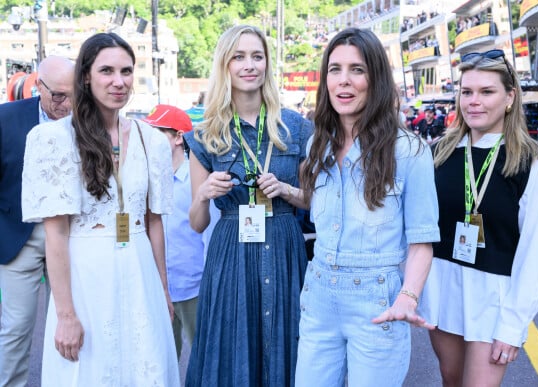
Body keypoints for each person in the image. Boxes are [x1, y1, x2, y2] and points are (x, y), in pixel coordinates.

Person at [20, 32, 179, 386]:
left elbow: (154, 223)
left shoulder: (151, 140)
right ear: (86, 76)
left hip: (141, 277)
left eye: (126, 71)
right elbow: (55, 233)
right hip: (86, 281)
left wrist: (163, 292)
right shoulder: (53, 139)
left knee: (144, 369)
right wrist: (64, 315)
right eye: (107, 70)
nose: (118, 81)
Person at [295, 27, 440, 387]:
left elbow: (422, 241)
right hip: (319, 295)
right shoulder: (318, 142)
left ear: (376, 78)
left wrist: (408, 296)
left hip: (377, 301)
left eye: (357, 70)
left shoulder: (410, 151)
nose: (344, 81)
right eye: (335, 69)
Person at [183, 25, 313, 387]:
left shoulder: (296, 128)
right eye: (238, 57)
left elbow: (312, 201)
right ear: (224, 65)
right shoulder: (205, 135)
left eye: (257, 56)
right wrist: (204, 193)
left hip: (286, 244)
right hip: (231, 252)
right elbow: (196, 223)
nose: (249, 65)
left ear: (267, 64)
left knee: (289, 337)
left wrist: (287, 189)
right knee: (232, 345)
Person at [419, 49, 538, 386]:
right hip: (441, 291)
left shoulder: (533, 164)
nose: (473, 102)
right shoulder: (438, 152)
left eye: (486, 92)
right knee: (451, 380)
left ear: (510, 97)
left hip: (493, 298)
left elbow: (533, 256)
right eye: (466, 92)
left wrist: (513, 327)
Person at [0, 55, 74, 387]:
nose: (65, 103)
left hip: (74, 237)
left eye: (73, 94)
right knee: (16, 328)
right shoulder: (5, 118)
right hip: (18, 237)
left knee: (71, 323)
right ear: (37, 85)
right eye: (57, 95)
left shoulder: (87, 119)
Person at [142, 103, 218, 361]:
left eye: (158, 132)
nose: (150, 139)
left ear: (177, 138)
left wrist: (209, 279)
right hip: (158, 283)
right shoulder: (147, 176)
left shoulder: (197, 178)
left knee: (202, 357)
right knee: (162, 358)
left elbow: (209, 232)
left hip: (193, 283)